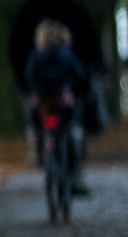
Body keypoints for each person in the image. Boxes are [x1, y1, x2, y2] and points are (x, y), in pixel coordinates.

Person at [8, 0, 105, 191]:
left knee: (36, 112)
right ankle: (76, 172)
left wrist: (23, 79)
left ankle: (38, 145)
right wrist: (94, 70)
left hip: (38, 83)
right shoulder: (72, 6)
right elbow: (90, 40)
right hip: (70, 81)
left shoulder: (25, 11)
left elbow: (14, 49)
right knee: (75, 121)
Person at [23, 19, 89, 174]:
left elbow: (28, 76)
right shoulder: (66, 53)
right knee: (72, 127)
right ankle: (73, 160)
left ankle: (39, 150)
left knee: (37, 123)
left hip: (43, 100)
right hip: (62, 100)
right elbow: (79, 74)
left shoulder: (36, 55)